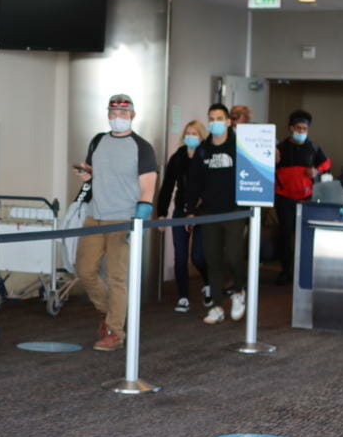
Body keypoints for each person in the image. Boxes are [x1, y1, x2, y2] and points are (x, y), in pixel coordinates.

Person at [73, 94, 157, 351]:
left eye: (123, 113)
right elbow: (93, 172)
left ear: (132, 115)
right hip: (95, 214)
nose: (117, 118)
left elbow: (148, 188)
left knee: (117, 276)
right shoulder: (98, 140)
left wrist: (138, 223)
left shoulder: (142, 147)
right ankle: (110, 312)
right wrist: (86, 175)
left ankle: (115, 331)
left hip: (122, 218)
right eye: (113, 113)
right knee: (84, 269)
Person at [186, 103, 246, 325]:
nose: (215, 123)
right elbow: (194, 183)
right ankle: (218, 306)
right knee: (212, 259)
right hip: (210, 211)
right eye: (211, 118)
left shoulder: (239, 146)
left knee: (233, 255)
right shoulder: (203, 149)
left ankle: (239, 291)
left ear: (229, 121)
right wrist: (190, 210)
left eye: (220, 118)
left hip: (235, 210)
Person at [156, 120, 213, 313]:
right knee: (180, 257)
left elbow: (211, 188)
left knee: (198, 256)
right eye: (188, 133)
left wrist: (196, 211)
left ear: (202, 136)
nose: (191, 136)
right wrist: (162, 213)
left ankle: (208, 284)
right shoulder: (178, 157)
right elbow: (167, 187)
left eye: (195, 133)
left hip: (203, 213)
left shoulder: (208, 156)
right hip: (180, 211)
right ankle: (183, 296)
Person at [274, 109, 330, 285]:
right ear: (291, 128)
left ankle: (302, 270)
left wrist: (316, 171)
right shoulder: (280, 148)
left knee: (303, 235)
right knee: (285, 234)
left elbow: (326, 163)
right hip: (283, 198)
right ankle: (285, 270)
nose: (301, 132)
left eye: (304, 129)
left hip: (306, 198)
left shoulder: (313, 147)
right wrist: (273, 161)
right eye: (298, 128)